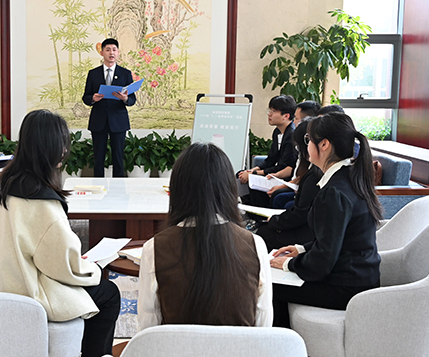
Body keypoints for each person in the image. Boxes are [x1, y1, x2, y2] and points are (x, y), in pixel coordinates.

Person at [0, 110, 120, 357]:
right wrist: (91, 268)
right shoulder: (42, 203)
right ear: (54, 149)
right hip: (27, 295)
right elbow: (65, 268)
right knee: (109, 294)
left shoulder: (4, 187)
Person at [138, 142, 273, 329]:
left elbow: (147, 328)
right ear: (228, 189)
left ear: (177, 190)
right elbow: (263, 325)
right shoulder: (255, 245)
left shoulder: (154, 248)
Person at [270, 112, 382, 328]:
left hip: (345, 286)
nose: (306, 146)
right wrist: (301, 249)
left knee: (267, 286)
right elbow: (337, 238)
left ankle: (284, 343)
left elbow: (322, 261)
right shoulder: (351, 177)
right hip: (360, 277)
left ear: (324, 144)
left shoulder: (334, 192)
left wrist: (289, 264)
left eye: (308, 140)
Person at [255, 119, 322, 250]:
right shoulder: (316, 171)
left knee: (264, 233)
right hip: (312, 229)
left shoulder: (315, 175)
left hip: (310, 234)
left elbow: (301, 214)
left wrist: (276, 221)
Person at [82, 38, 136, 177]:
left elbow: (132, 100)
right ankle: (98, 187)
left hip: (118, 121)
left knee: (118, 158)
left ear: (118, 53)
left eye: (114, 50)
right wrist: (93, 98)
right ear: (102, 53)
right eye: (108, 50)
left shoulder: (125, 73)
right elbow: (86, 97)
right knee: (98, 159)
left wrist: (125, 99)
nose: (111, 53)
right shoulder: (93, 73)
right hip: (98, 120)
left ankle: (118, 188)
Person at [237, 95, 297, 207]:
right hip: (275, 172)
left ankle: (258, 214)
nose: (269, 114)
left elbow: (285, 166)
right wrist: (252, 170)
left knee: (252, 179)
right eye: (270, 110)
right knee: (241, 174)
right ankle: (249, 210)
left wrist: (255, 173)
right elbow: (270, 160)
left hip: (285, 177)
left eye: (273, 111)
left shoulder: (292, 135)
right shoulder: (277, 132)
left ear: (286, 116)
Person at [268, 100, 320, 209]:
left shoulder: (299, 137)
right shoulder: (279, 132)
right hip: (295, 183)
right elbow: (272, 159)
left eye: (296, 118)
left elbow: (291, 168)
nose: (293, 122)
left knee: (280, 197)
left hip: (298, 185)